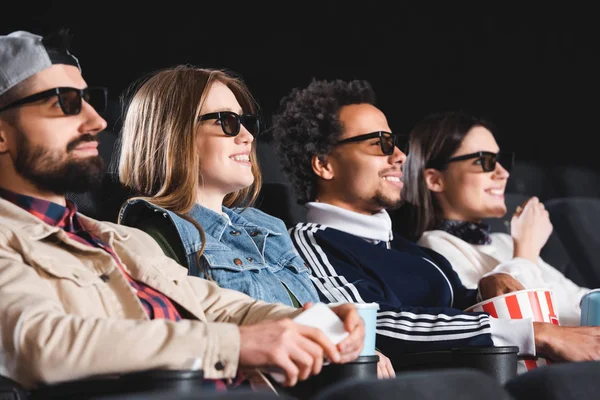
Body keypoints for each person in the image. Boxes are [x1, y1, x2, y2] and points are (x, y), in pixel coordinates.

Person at [0, 30, 364, 390]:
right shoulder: (11, 237)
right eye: (64, 102)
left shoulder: (117, 239)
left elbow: (221, 306)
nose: (97, 121)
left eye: (89, 100)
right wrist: (237, 345)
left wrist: (313, 321)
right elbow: (38, 343)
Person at [270, 78, 600, 366]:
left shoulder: (414, 252)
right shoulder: (310, 242)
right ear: (325, 165)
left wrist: (485, 287)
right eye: (379, 144)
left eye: (395, 142)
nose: (399, 156)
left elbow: (461, 310)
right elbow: (370, 323)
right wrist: (535, 333)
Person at [115, 65, 394, 379]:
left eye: (246, 123)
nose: (247, 137)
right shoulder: (154, 232)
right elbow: (182, 345)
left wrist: (355, 346)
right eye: (227, 122)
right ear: (175, 132)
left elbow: (311, 316)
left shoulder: (268, 225)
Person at [400, 111, 591, 326]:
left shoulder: (505, 241)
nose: (504, 173)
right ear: (435, 180)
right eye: (484, 161)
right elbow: (520, 329)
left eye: (500, 160)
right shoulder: (433, 250)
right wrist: (526, 250)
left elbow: (583, 300)